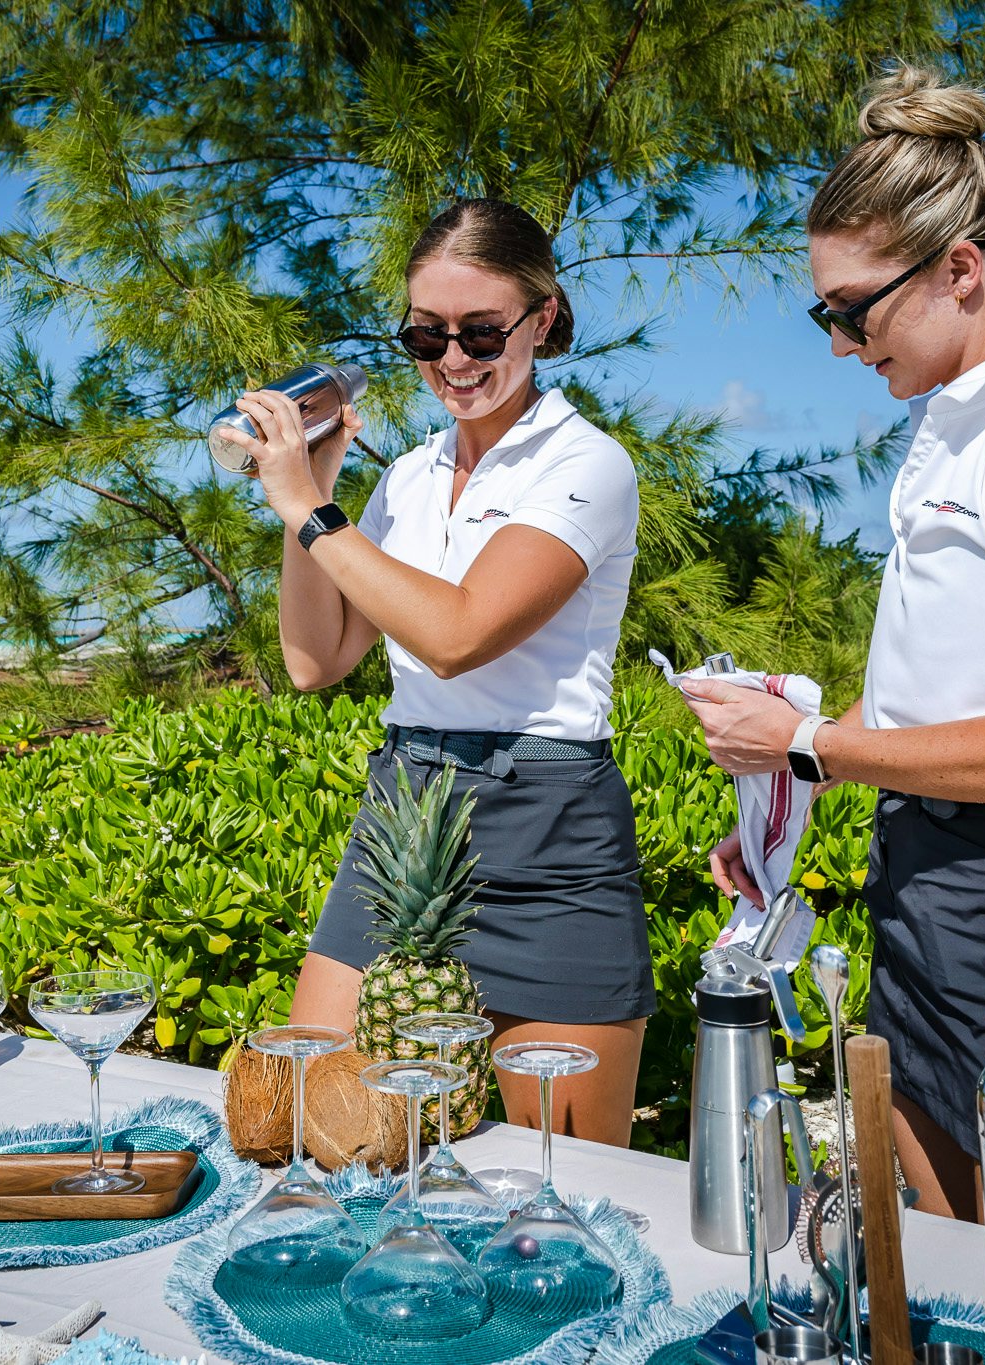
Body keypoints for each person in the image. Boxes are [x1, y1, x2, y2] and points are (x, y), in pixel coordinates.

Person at [678, 65, 985, 1252]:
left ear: (957, 270)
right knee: (950, 1281)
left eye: (853, 309)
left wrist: (804, 743)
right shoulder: (953, 430)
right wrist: (779, 806)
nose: (839, 344)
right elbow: (923, 696)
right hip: (922, 890)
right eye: (822, 315)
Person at [213, 198, 651, 1145]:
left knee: (561, 1170)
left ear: (542, 317)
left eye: (481, 332)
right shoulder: (407, 478)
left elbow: (459, 634)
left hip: (549, 829)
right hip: (406, 809)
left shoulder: (587, 464)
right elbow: (315, 659)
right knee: (311, 1126)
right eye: (426, 334)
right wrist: (313, 496)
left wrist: (309, 511)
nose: (453, 359)